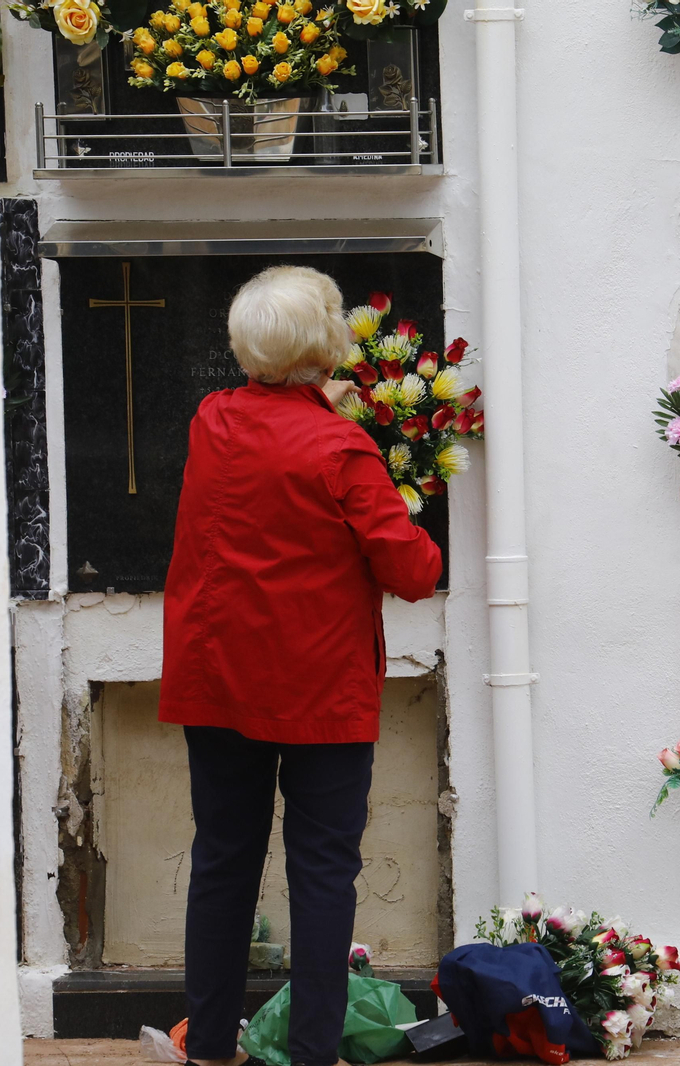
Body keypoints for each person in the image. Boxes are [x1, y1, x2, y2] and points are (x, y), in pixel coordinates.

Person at [159, 266, 443, 1066]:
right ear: (326, 344)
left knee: (222, 857)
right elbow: (411, 569)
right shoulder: (340, 446)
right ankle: (314, 1052)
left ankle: (211, 1044)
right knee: (322, 870)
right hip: (317, 687)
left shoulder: (211, 420)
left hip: (218, 678)